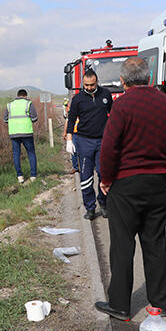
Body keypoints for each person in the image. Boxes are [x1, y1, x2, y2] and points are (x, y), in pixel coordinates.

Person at [94, 57, 166, 321]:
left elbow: (110, 147)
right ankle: (158, 303)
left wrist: (106, 179)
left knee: (122, 246)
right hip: (157, 183)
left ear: (123, 81)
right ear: (149, 78)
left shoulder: (122, 105)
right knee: (155, 243)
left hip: (125, 185)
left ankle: (121, 306)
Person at [65, 69, 113, 219]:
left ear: (97, 82)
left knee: (103, 173)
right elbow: (71, 119)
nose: (89, 87)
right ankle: (90, 208)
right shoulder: (78, 99)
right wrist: (69, 139)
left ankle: (104, 203)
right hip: (84, 141)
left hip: (103, 141)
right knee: (86, 177)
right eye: (86, 85)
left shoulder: (105, 94)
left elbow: (113, 115)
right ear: (83, 83)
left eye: (92, 85)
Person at [4, 89, 38, 183]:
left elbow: (5, 119)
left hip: (14, 133)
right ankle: (33, 176)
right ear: (25, 96)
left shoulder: (9, 105)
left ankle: (20, 176)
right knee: (31, 153)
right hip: (26, 132)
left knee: (16, 155)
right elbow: (35, 118)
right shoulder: (28, 103)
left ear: (17, 95)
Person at [63, 96, 79, 174]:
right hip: (74, 133)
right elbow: (68, 121)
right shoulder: (71, 110)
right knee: (74, 151)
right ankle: (76, 167)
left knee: (79, 151)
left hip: (81, 133)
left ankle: (79, 167)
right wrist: (65, 132)